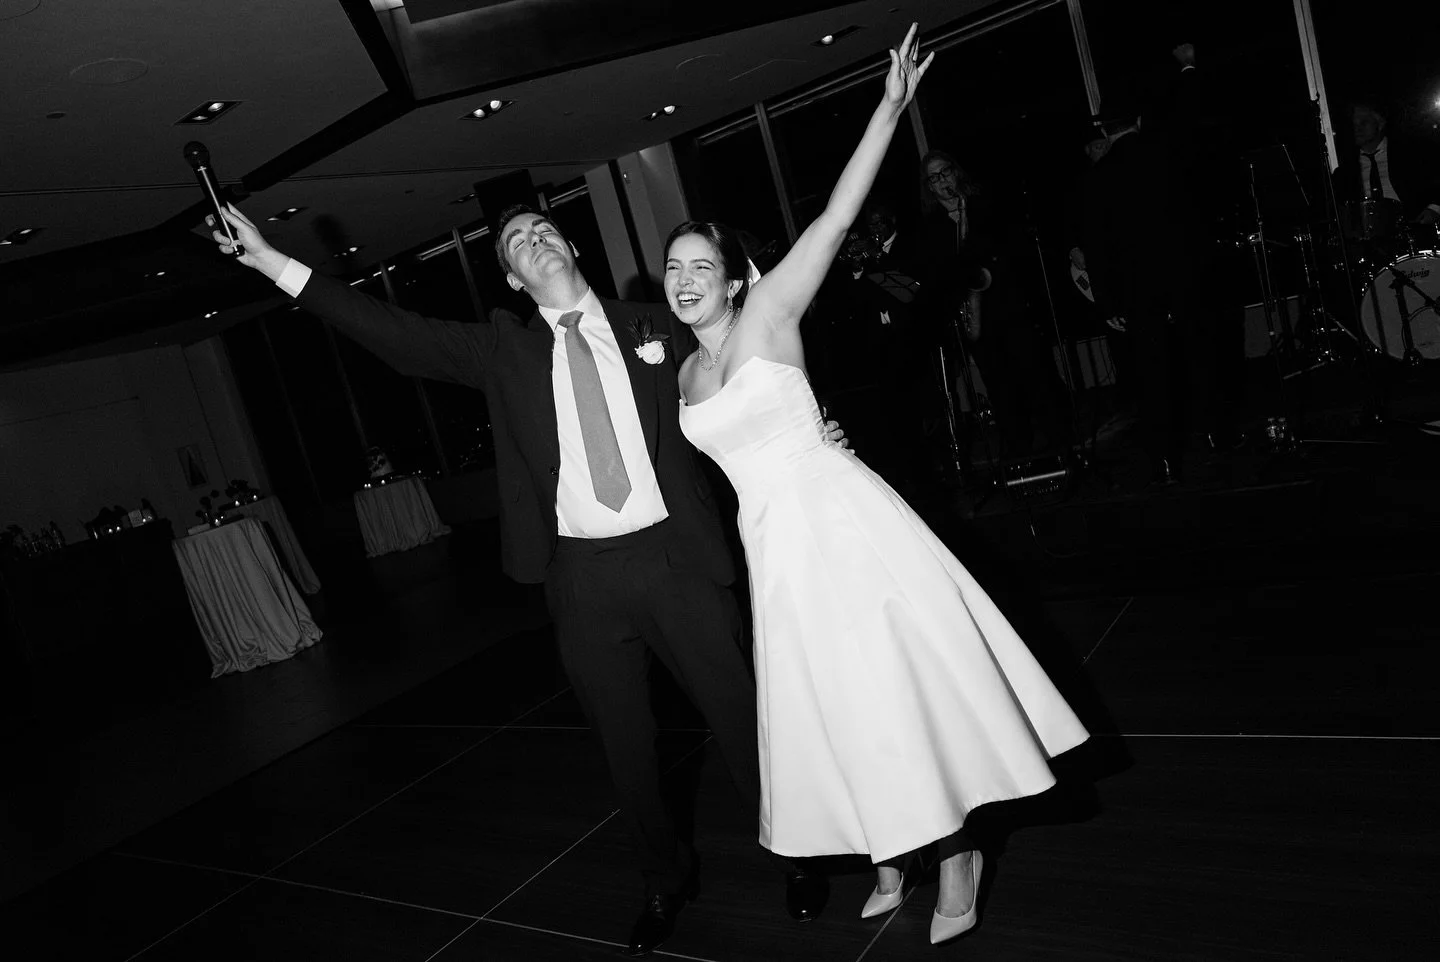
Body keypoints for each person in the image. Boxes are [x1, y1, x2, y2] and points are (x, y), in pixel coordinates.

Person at [208, 203, 847, 954]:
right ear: (512, 279)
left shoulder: (654, 320)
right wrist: (271, 262)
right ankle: (664, 879)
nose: (534, 241)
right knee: (626, 748)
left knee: (741, 716)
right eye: (516, 243)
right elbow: (390, 333)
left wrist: (809, 430)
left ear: (571, 245)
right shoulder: (499, 352)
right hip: (581, 579)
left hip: (677, 559)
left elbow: (746, 360)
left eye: (544, 229)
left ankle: (797, 851)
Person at [665, 24, 1089, 945]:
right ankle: (890, 844)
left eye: (704, 267)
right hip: (773, 548)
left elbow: (830, 221)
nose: (686, 279)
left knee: (887, 685)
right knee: (828, 704)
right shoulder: (685, 378)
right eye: (674, 267)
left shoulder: (769, 318)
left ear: (737, 280)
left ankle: (953, 850)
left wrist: (889, 107)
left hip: (837, 522)